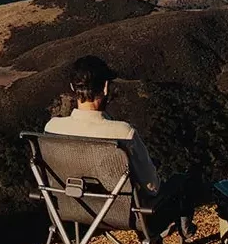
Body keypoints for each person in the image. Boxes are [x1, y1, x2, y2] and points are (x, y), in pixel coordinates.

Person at [44, 55, 161, 195]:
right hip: (120, 214)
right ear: (105, 87)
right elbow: (152, 187)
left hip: (68, 211)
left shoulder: (52, 128)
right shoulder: (123, 132)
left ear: (72, 88)